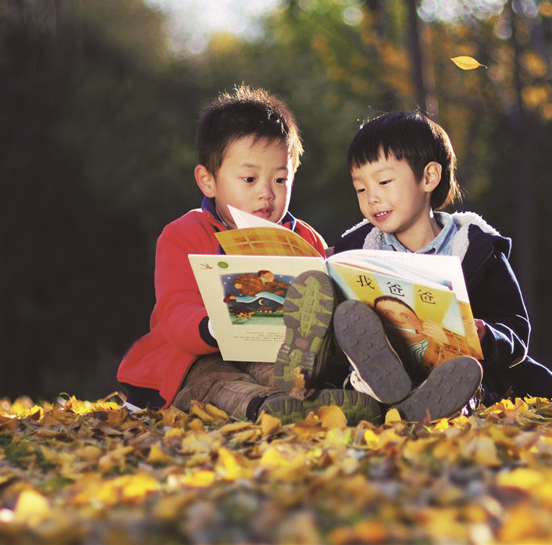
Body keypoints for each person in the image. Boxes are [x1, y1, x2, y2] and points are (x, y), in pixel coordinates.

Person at [116, 85, 381, 425]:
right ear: (208, 181)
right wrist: (215, 326)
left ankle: (323, 398)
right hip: (198, 356)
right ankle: (265, 408)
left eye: (281, 179)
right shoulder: (184, 235)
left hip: (273, 351)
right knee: (216, 385)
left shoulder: (304, 238)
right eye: (250, 178)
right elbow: (175, 309)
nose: (266, 193)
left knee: (289, 370)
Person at [332, 110, 552, 417]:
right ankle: (380, 395)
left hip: (461, 372)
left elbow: (516, 331)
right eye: (361, 188)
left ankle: (444, 403)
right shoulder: (355, 250)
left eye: (384, 181)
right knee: (362, 360)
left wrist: (487, 337)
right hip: (385, 370)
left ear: (429, 177)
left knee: (467, 374)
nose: (371, 198)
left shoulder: (476, 250)